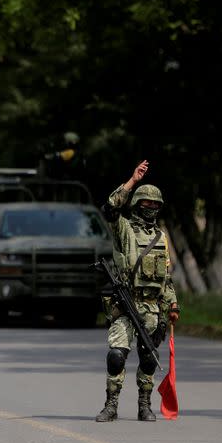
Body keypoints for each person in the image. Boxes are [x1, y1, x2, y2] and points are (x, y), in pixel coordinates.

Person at [95, 159, 180, 422]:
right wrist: (132, 181)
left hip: (153, 307)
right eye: (146, 203)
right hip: (126, 303)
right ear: (136, 204)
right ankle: (111, 404)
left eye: (155, 204)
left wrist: (172, 306)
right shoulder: (125, 229)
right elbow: (109, 208)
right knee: (116, 355)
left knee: (149, 358)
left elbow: (166, 278)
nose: (151, 207)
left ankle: (145, 403)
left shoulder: (162, 237)